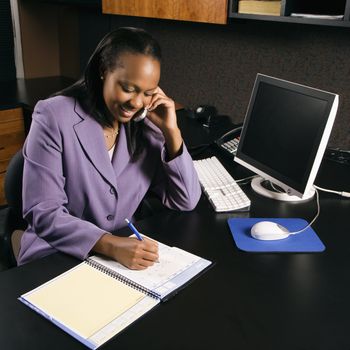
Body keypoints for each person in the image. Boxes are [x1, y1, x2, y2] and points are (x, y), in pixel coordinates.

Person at [17, 27, 201, 269]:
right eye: (128, 88)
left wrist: (171, 132)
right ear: (104, 71)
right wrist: (111, 244)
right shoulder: (54, 115)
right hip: (58, 253)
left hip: (121, 256)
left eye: (147, 93)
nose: (136, 102)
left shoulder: (147, 127)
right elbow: (44, 212)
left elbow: (185, 200)